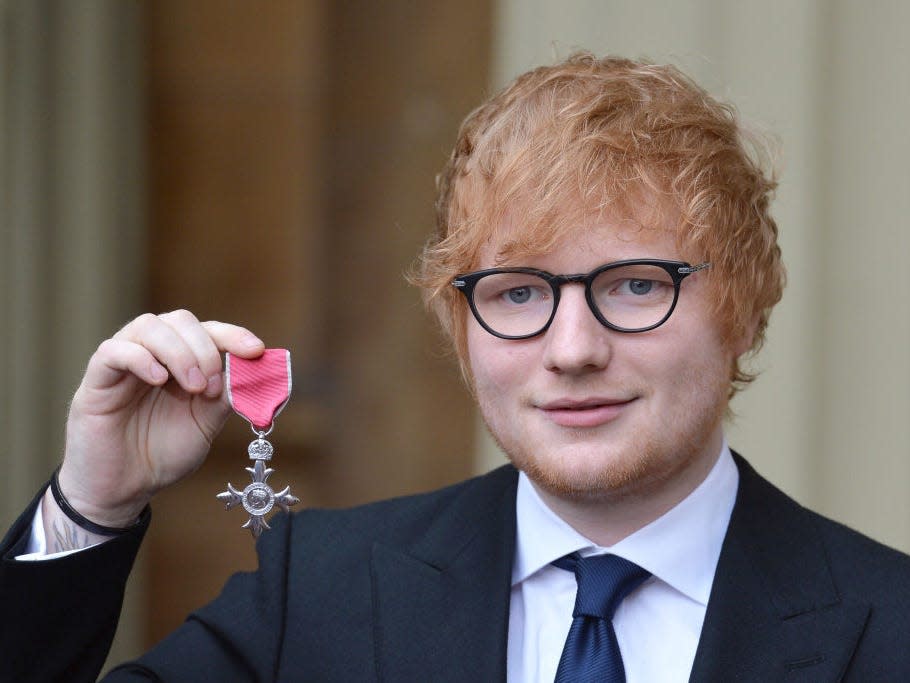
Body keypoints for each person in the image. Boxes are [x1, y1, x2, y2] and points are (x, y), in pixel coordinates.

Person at [2, 53, 908, 682]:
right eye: (517, 293)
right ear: (458, 325)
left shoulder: (889, 627)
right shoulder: (322, 592)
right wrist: (92, 502)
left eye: (635, 285)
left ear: (744, 306)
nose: (573, 347)